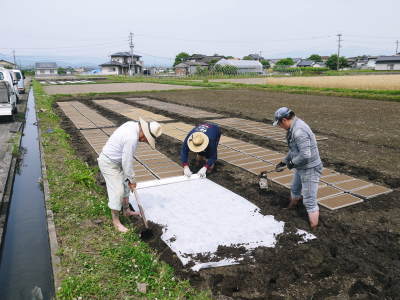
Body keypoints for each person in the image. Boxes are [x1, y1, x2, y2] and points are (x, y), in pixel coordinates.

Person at [97, 118, 162, 233]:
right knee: (118, 191)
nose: (144, 141)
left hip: (118, 160)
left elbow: (125, 160)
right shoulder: (131, 137)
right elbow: (127, 161)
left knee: (126, 185)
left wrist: (129, 180)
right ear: (144, 132)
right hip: (109, 162)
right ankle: (116, 221)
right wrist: (132, 179)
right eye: (146, 139)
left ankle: (126, 211)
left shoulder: (133, 125)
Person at [273, 107, 323, 229]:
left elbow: (306, 155)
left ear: (284, 120)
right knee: (295, 189)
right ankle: (291, 207)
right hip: (301, 167)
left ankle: (314, 228)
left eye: (279, 124)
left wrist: (291, 163)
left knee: (309, 200)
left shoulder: (299, 131)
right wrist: (284, 162)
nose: (279, 126)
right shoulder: (292, 128)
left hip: (310, 168)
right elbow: (294, 150)